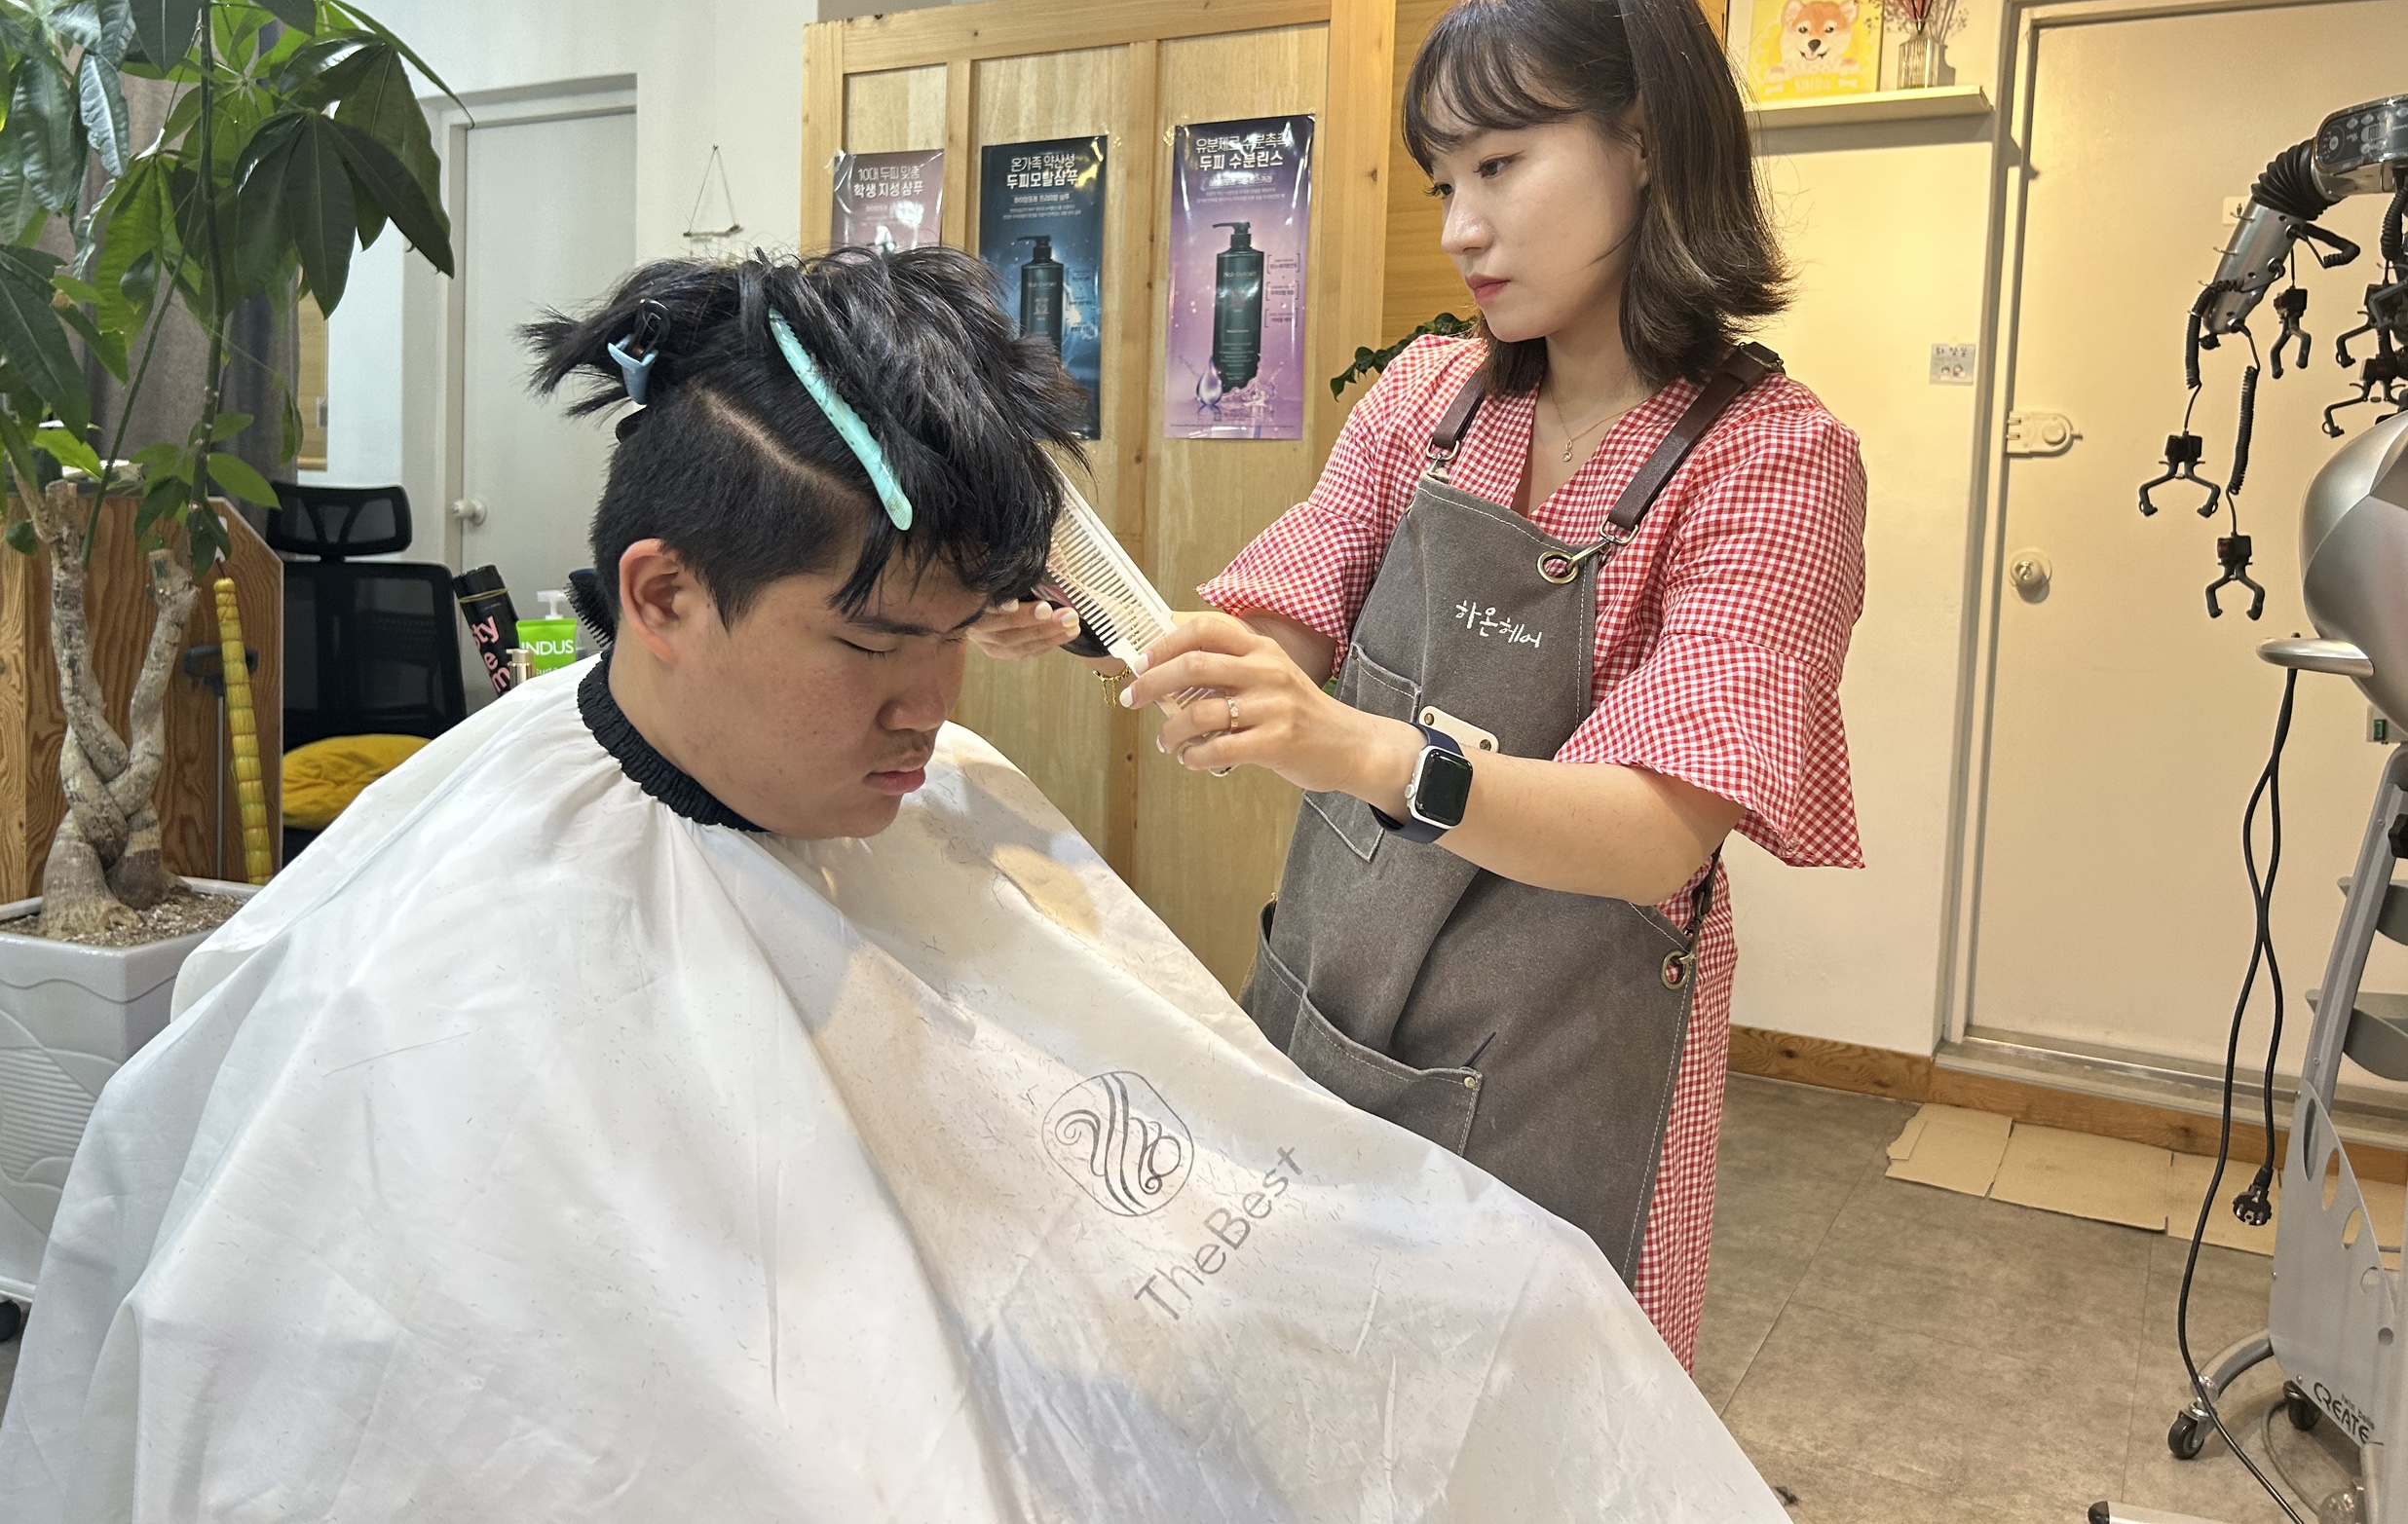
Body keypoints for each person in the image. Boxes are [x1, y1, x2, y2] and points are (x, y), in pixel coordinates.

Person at [0, 247, 1787, 1520]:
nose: (930, 713)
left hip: (1546, 1021)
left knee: (1517, 1301)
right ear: (661, 594)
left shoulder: (930, 799)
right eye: (874, 648)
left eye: (957, 637)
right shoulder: (422, 973)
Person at [984, 0, 1868, 1373]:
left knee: (1518, 1417)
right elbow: (1281, 624)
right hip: (1332, 1008)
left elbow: (1656, 831)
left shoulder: (1771, 461)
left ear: (1647, 140)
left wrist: (1356, 748)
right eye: (1444, 180)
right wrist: (1102, 625)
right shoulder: (1432, 401)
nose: (1462, 226)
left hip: (1560, 1068)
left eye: (1501, 165)